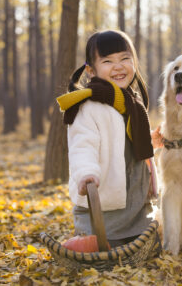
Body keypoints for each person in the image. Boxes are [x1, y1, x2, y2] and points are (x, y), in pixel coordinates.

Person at [56, 30, 158, 248]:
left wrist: (151, 141)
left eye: (125, 59)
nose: (118, 66)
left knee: (149, 246)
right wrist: (86, 173)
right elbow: (82, 146)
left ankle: (135, 239)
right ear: (92, 71)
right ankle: (88, 242)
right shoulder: (89, 107)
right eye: (108, 61)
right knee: (104, 249)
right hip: (104, 209)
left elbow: (124, 141)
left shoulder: (131, 102)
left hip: (136, 205)